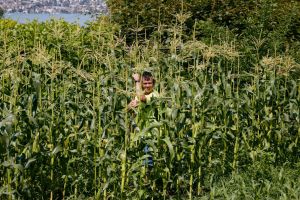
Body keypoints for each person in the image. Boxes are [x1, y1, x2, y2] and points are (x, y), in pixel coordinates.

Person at [128, 71, 159, 167]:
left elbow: (141, 98)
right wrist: (130, 106)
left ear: (153, 83)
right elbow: (128, 110)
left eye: (149, 83)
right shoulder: (140, 94)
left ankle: (147, 179)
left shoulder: (154, 95)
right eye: (145, 83)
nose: (147, 85)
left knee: (148, 163)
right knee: (138, 162)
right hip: (137, 134)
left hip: (149, 134)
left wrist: (137, 81)